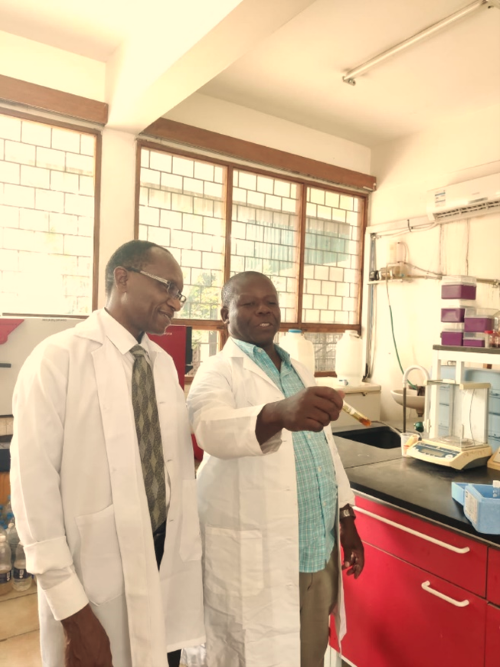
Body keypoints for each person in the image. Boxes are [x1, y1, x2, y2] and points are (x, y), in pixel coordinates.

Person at [10, 240, 204, 667]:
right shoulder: (55, 361)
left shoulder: (161, 364)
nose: (175, 301)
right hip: (94, 578)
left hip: (165, 563)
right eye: (167, 286)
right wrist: (74, 616)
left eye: (179, 293)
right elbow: (33, 499)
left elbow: (172, 467)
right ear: (122, 278)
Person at [187, 271, 364, 667]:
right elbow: (210, 430)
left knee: (309, 653)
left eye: (270, 301)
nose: (264, 309)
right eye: (248, 303)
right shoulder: (216, 372)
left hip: (318, 546)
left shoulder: (299, 369)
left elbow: (326, 449)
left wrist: (346, 516)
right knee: (256, 655)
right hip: (260, 553)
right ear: (224, 314)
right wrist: (278, 413)